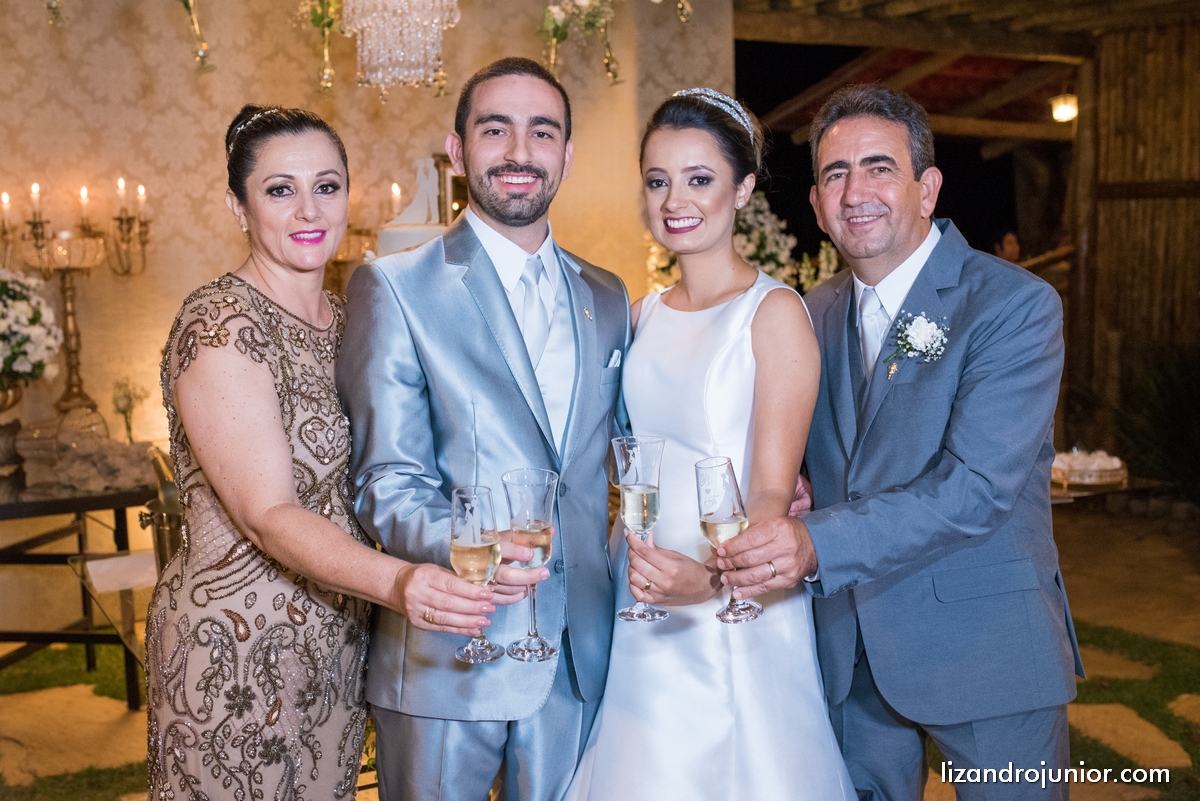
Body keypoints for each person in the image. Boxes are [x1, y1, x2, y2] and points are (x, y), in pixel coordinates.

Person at [717, 83, 1084, 800]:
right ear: (818, 205)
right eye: (835, 173)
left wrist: (815, 540)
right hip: (849, 653)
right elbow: (828, 450)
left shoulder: (1014, 306)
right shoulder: (806, 311)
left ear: (928, 185)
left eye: (879, 167)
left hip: (986, 647)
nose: (857, 191)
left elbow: (976, 489)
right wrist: (800, 486)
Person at [145, 105, 495, 801]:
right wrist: (401, 583)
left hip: (336, 648)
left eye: (327, 186)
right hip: (233, 660)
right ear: (236, 205)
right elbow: (268, 513)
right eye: (279, 189)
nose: (309, 208)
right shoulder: (221, 324)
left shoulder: (347, 316)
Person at [336, 58, 630, 801]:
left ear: (566, 154)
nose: (519, 151)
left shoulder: (609, 294)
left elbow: (622, 451)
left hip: (577, 651)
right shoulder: (395, 286)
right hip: (449, 651)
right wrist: (473, 552)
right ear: (458, 149)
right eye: (495, 129)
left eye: (542, 131)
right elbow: (386, 480)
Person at [565, 89, 856, 801]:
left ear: (745, 187)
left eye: (699, 179)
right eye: (659, 180)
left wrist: (709, 578)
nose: (675, 199)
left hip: (733, 600)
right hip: (641, 592)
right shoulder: (640, 315)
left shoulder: (775, 313)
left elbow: (769, 491)